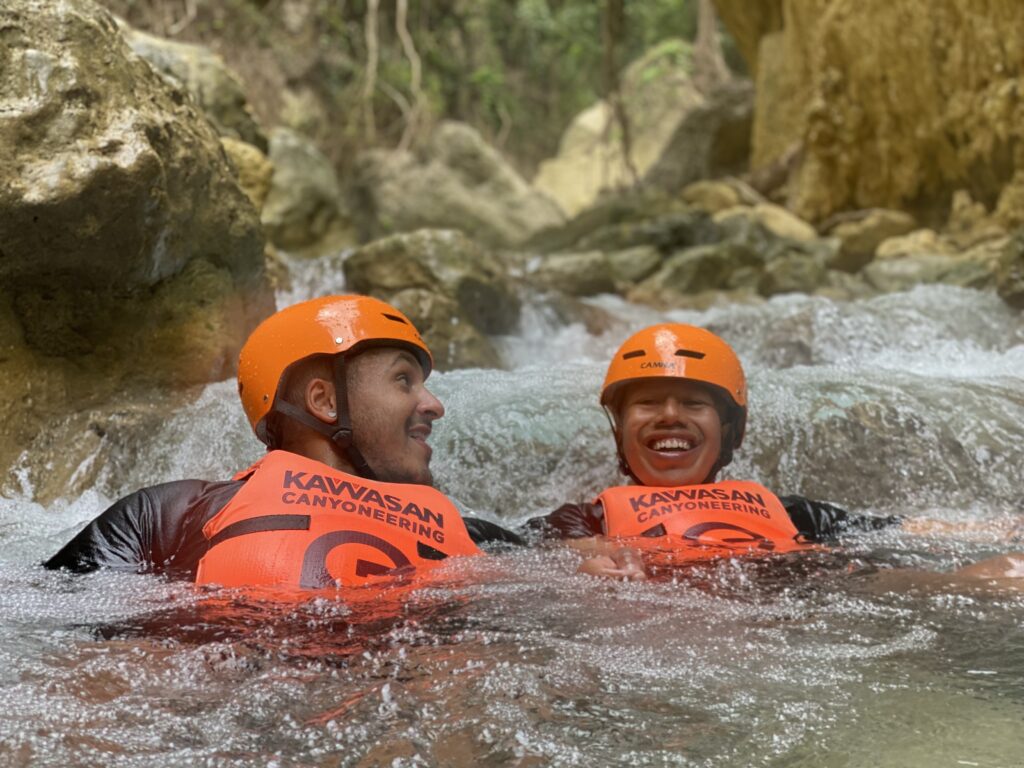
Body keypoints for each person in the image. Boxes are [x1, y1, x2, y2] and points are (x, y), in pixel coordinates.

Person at [46, 295, 522, 588]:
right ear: (325, 401)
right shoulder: (170, 515)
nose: (434, 404)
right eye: (404, 380)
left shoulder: (473, 534)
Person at [529, 323, 1022, 583]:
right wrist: (591, 562)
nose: (670, 416)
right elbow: (534, 554)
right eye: (649, 403)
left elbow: (902, 531)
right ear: (620, 430)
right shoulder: (582, 521)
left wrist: (1002, 532)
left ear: (730, 431)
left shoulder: (790, 514)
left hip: (799, 612)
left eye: (694, 403)